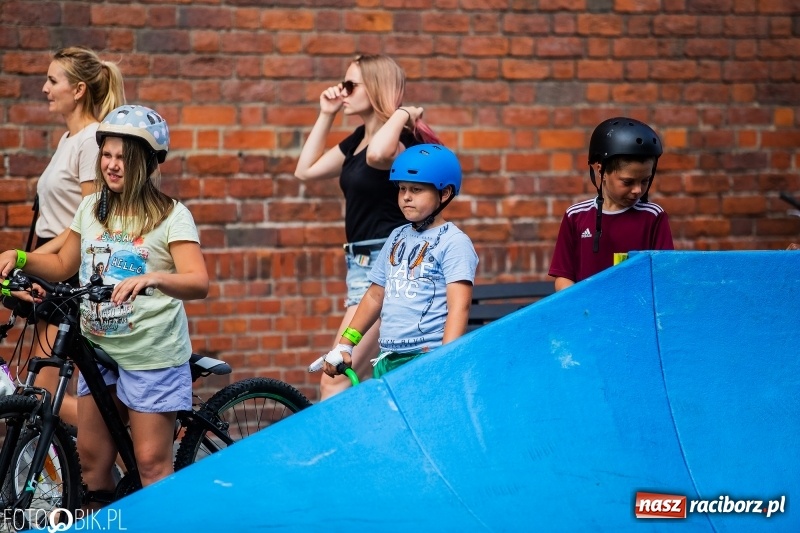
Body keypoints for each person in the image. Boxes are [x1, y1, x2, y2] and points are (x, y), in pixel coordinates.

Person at [0, 104, 209, 493]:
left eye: (123, 159)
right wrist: (22, 257)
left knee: (151, 466)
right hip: (100, 352)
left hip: (151, 356)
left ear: (147, 163)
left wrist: (155, 278)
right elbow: (64, 261)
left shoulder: (172, 216)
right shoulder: (91, 208)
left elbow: (198, 282)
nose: (112, 166)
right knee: (92, 468)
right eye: (107, 155)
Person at [294, 54, 441, 399]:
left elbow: (378, 156)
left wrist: (402, 112)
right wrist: (326, 114)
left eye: (350, 85)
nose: (342, 92)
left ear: (374, 88)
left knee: (336, 378)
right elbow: (306, 170)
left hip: (391, 265)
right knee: (372, 381)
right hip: (362, 266)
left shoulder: (402, 141)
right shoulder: (358, 138)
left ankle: (346, 455)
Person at [7, 47, 126, 427]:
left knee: (41, 398)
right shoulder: (68, 139)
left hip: (68, 272)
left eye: (52, 80)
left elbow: (91, 220)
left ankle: (140, 445)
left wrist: (31, 260)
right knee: (35, 393)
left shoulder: (91, 139)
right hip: (47, 265)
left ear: (77, 90)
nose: (44, 88)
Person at [313, 144, 478, 381]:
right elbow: (374, 295)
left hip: (426, 358)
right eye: (402, 189)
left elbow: (458, 307)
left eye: (417, 189)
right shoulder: (397, 236)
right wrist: (346, 344)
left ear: (445, 193)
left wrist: (445, 360)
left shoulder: (454, 242)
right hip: (387, 357)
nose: (406, 197)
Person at [548, 117, 673, 291]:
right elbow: (563, 278)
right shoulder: (576, 216)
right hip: (588, 314)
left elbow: (664, 275)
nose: (637, 190)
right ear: (601, 170)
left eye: (645, 180)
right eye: (628, 182)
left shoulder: (653, 217)